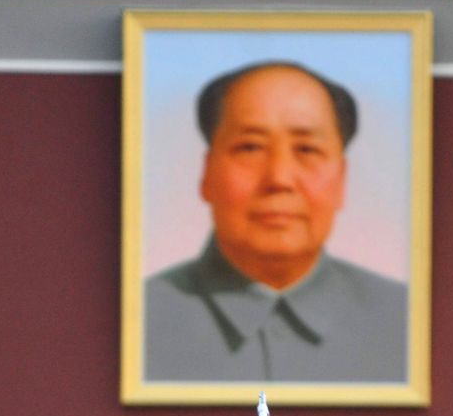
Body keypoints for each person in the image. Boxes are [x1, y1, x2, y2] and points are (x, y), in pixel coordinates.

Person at [144, 61, 408, 384]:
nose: (279, 179)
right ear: (207, 173)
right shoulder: (139, 319)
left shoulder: (405, 321)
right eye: (251, 147)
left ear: (342, 179)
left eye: (307, 150)